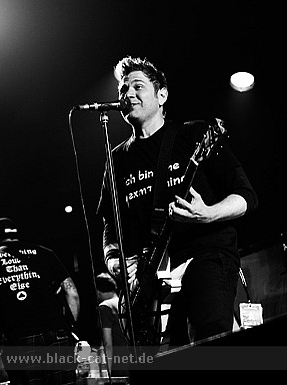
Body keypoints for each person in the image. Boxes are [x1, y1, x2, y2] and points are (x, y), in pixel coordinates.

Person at [96, 56, 258, 348]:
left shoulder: (193, 135)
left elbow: (246, 196)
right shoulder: (117, 160)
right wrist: (114, 259)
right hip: (154, 273)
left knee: (210, 335)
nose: (128, 94)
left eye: (137, 86)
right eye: (123, 89)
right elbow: (110, 223)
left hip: (205, 254)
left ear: (162, 95)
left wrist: (208, 214)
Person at [0, 217, 80, 385]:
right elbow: (72, 292)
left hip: (18, 341)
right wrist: (69, 327)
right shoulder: (45, 253)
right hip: (57, 335)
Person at [94, 272, 129, 377]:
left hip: (117, 363)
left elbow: (107, 343)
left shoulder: (104, 307)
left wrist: (106, 373)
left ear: (98, 291)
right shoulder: (125, 303)